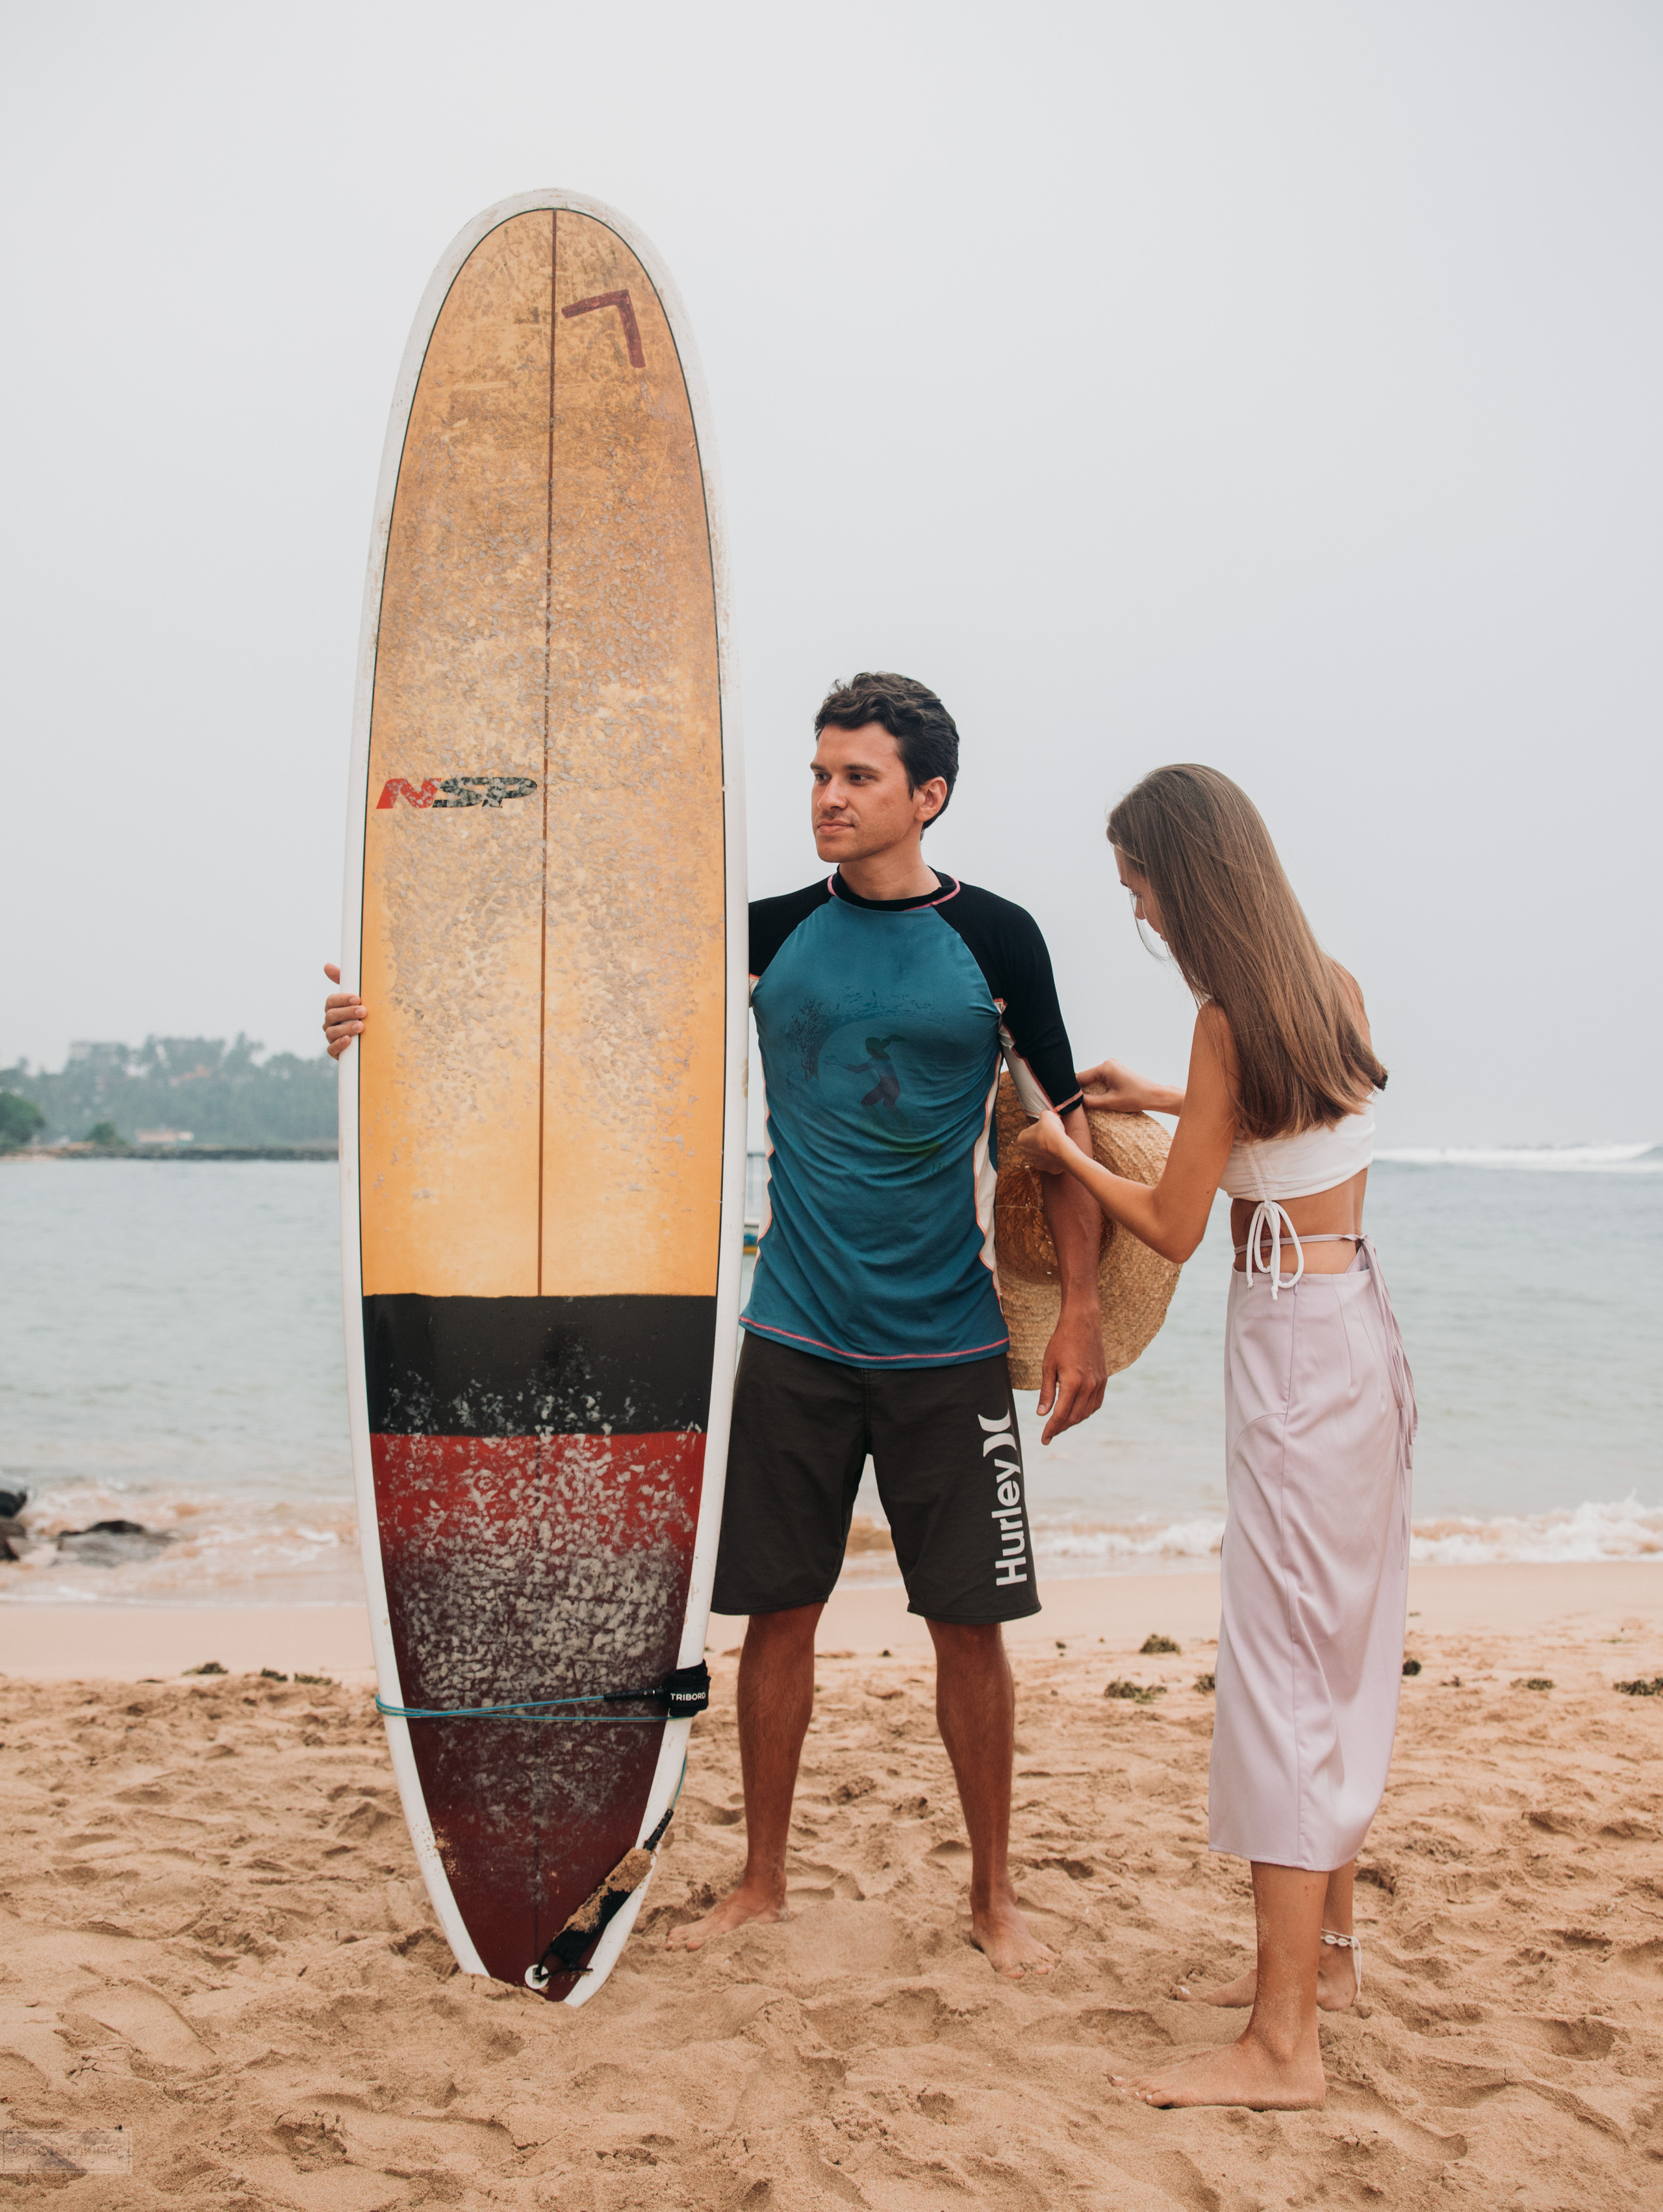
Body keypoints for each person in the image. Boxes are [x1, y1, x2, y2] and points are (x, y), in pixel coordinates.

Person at [325, 672, 1109, 1979]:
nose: (825, 797)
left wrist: (1080, 1310)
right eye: (817, 773)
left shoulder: (999, 938)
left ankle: (991, 1890)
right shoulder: (765, 932)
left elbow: (1059, 1125)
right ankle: (762, 1875)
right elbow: (563, 1005)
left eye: (856, 776)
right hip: (793, 1331)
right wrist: (385, 1021)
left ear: (928, 796)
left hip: (947, 1341)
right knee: (777, 1612)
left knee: (969, 1625)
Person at [1020, 764, 1415, 2107]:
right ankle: (1333, 1961)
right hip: (1354, 1320)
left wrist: (1063, 1152)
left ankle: (1279, 2043)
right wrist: (1168, 1095)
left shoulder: (1222, 1014)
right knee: (1337, 1645)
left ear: (1182, 875)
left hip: (1293, 1351)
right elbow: (1290, 1114)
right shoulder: (1325, 986)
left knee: (1282, 1671)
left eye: (1134, 877)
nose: (1131, 899)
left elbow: (1175, 1229)